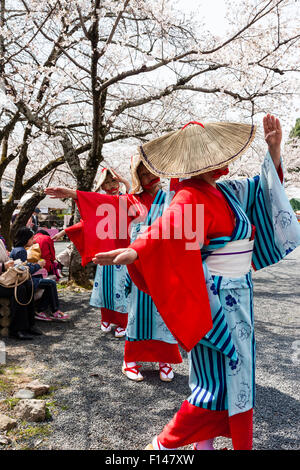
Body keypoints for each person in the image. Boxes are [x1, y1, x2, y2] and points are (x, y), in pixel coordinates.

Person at [91, 115, 300, 450]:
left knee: (230, 375)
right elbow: (167, 227)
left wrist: (274, 151)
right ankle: (162, 445)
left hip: (239, 295)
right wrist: (136, 250)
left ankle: (204, 446)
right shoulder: (190, 195)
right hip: (215, 300)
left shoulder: (228, 190)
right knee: (216, 381)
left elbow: (264, 191)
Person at [45, 161, 182, 382]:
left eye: (151, 172)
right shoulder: (130, 200)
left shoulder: (171, 197)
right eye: (143, 174)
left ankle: (164, 360)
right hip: (138, 263)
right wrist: (72, 193)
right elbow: (103, 203)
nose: (149, 177)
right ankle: (130, 360)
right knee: (138, 311)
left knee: (164, 312)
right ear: (138, 178)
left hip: (163, 262)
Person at [10, 227, 69, 322]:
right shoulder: (21, 251)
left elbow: (22, 266)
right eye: (31, 239)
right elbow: (24, 271)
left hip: (22, 280)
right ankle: (52, 311)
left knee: (48, 282)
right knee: (51, 283)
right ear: (26, 239)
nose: (33, 241)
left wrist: (32, 265)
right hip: (23, 282)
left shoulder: (17, 249)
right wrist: (38, 265)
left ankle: (43, 310)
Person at [0, 237, 42, 340]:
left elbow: (6, 259)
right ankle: (17, 329)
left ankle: (29, 324)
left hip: (4, 278)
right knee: (20, 290)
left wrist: (11, 262)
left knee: (28, 284)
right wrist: (3, 266)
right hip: (2, 280)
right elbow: (3, 264)